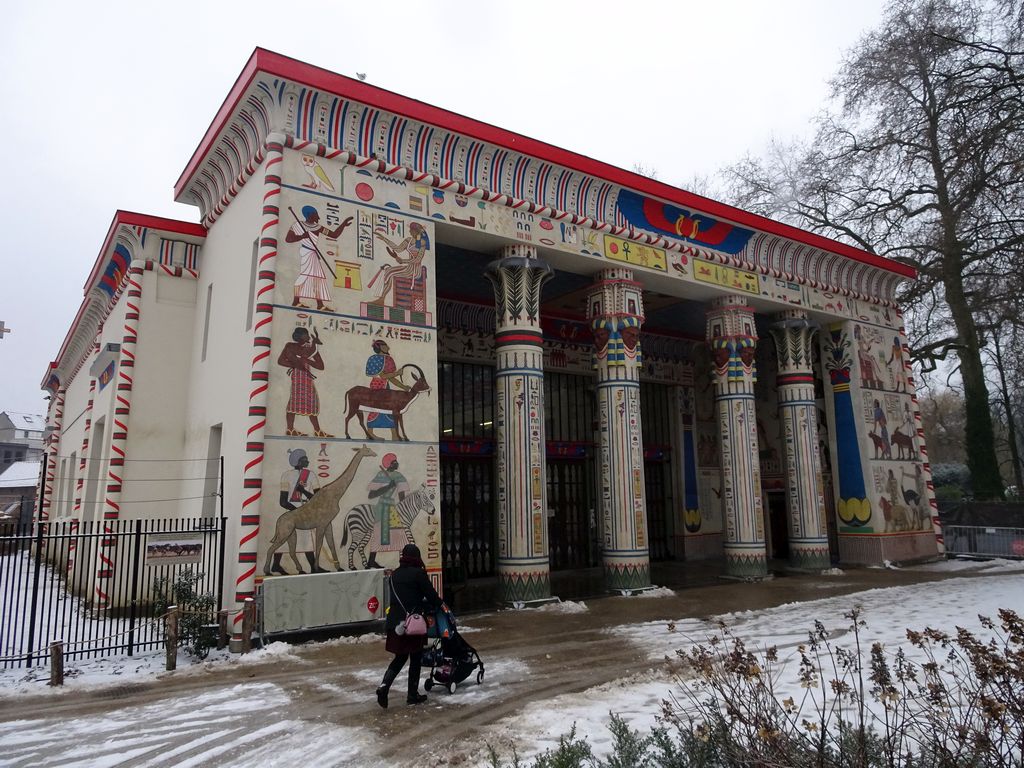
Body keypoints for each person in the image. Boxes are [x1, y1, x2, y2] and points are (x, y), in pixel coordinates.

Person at [376, 543, 442, 708]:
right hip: (413, 623)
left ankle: (384, 686)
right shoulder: (418, 574)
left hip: (395, 622)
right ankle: (412, 695)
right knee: (415, 657)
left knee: (400, 657)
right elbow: (431, 596)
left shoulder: (395, 575)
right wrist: (441, 605)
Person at [277, 326, 331, 437]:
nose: (308, 336)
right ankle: (290, 429)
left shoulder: (310, 348)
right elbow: (281, 361)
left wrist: (306, 361)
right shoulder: (290, 346)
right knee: (294, 401)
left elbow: (321, 366)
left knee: (312, 401)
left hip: (307, 378)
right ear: (300, 336)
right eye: (306, 334)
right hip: (297, 377)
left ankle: (317, 430)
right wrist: (295, 364)